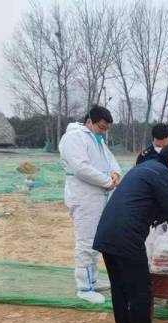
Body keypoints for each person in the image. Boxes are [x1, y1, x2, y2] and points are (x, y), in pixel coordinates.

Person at [93, 143, 168, 323]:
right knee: (141, 286)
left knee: (120, 285)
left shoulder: (142, 169)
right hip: (127, 236)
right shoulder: (161, 174)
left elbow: (150, 206)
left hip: (107, 233)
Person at [59, 105, 122, 304]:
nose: (104, 132)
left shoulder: (96, 139)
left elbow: (110, 160)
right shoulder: (74, 137)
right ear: (89, 122)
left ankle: (92, 279)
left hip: (98, 197)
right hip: (84, 197)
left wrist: (115, 173)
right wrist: (106, 181)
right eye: (101, 127)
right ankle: (84, 287)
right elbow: (81, 168)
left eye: (106, 129)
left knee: (96, 240)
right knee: (86, 242)